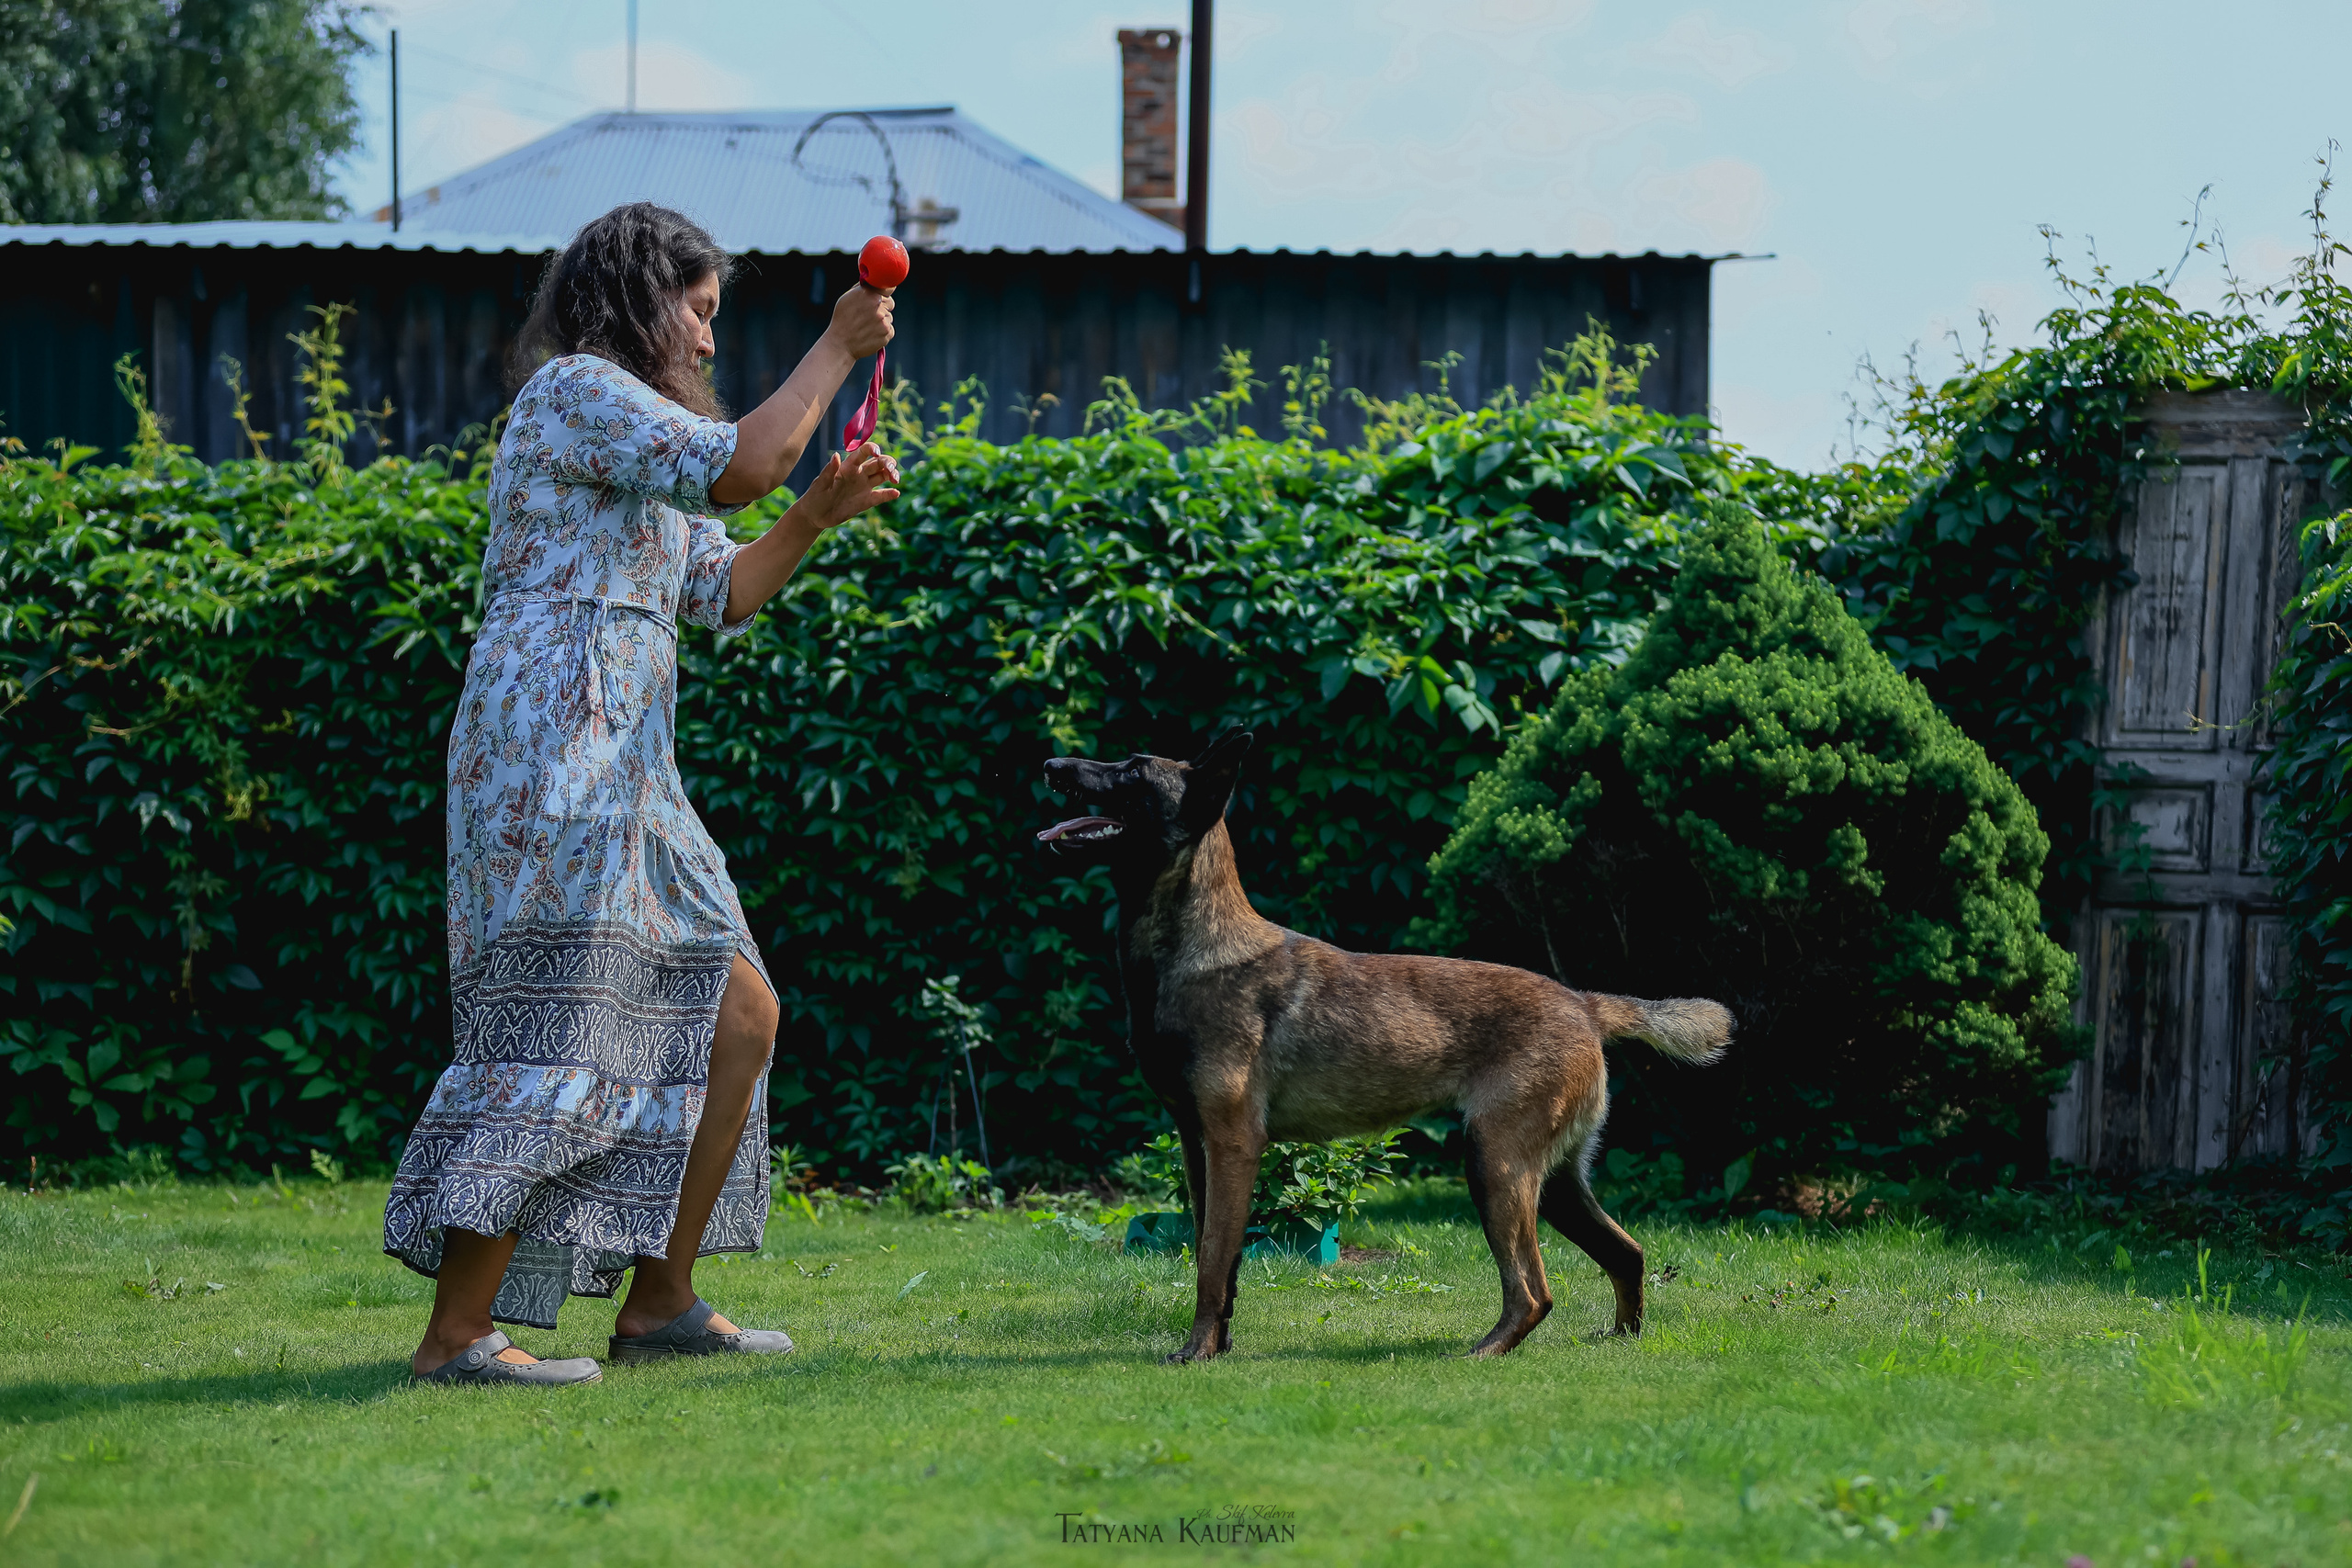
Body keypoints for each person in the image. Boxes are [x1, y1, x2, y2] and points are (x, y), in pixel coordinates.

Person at [380, 202, 900, 1384]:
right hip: (551, 751)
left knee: (743, 1017)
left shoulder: (640, 445)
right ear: (639, 298)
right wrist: (836, 345)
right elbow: (746, 466)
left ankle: (659, 1300)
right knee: (561, 1017)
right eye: (703, 313)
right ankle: (456, 1335)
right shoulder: (576, 392)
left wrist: (816, 511)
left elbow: (722, 590)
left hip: (629, 764)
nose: (712, 343)